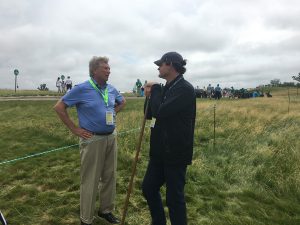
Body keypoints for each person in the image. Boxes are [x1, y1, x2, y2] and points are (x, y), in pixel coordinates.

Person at [53, 56, 126, 225]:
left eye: (109, 68)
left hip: (111, 137)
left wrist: (113, 112)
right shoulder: (82, 88)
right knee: (91, 179)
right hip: (92, 139)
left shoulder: (111, 89)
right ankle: (86, 218)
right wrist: (75, 129)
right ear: (94, 70)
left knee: (110, 175)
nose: (109, 71)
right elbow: (59, 107)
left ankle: (106, 210)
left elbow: (123, 102)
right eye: (105, 68)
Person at [142, 52, 196, 225]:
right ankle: (158, 222)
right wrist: (149, 96)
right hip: (159, 151)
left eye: (161, 64)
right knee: (149, 188)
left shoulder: (184, 89)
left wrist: (155, 88)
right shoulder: (167, 87)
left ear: (171, 64)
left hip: (176, 152)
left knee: (174, 198)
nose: (158, 67)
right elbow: (150, 113)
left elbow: (161, 111)